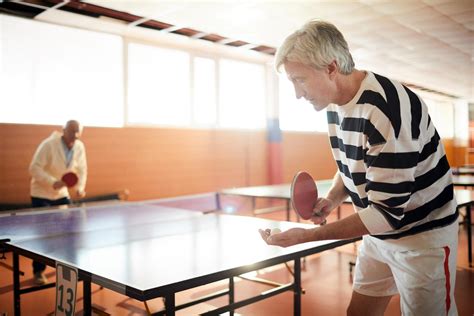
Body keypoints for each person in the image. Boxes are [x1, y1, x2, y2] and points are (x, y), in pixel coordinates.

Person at [259, 20, 458, 316]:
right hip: (378, 235)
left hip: (421, 238)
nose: (298, 94)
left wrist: (305, 237)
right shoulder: (332, 104)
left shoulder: (386, 110)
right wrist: (334, 198)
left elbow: (386, 214)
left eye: (300, 80)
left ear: (331, 68)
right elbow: (355, 162)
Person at [29, 119, 87, 284]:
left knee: (70, 230)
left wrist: (80, 188)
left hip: (62, 193)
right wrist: (52, 181)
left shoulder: (79, 146)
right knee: (44, 234)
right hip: (41, 194)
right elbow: (34, 168)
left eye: (77, 134)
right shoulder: (48, 144)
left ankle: (71, 267)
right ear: (63, 130)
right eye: (71, 132)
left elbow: (82, 169)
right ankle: (38, 271)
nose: (74, 137)